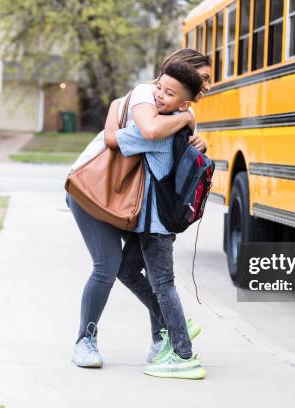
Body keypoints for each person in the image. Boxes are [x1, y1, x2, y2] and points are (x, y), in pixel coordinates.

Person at [67, 49, 211, 369]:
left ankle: (178, 348)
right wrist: (185, 119)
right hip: (97, 193)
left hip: (147, 216)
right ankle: (167, 333)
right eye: (202, 78)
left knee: (156, 282)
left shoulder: (168, 121)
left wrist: (186, 124)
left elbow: (124, 136)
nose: (206, 86)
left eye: (170, 92)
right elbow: (126, 134)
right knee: (121, 269)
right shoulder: (154, 103)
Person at [104, 62, 206, 380]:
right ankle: (173, 324)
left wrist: (113, 106)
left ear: (184, 103)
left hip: (156, 224)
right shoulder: (177, 122)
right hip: (149, 221)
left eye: (169, 93)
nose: (159, 95)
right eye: (159, 87)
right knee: (126, 269)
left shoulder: (161, 130)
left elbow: (111, 139)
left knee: (163, 284)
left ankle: (183, 354)